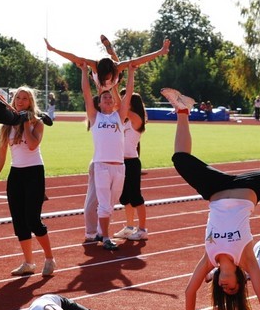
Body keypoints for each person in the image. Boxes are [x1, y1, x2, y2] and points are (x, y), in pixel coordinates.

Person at [162, 87, 260, 310]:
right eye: (232, 288)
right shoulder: (247, 259)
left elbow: (190, 291)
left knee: (179, 159)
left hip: (215, 190)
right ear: (240, 280)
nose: (225, 286)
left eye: (223, 289)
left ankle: (182, 108)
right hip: (247, 189)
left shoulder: (209, 258)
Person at [0, 86, 56, 277]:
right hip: (16, 174)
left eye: (25, 98)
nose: (20, 101)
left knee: (33, 220)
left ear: (30, 102)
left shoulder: (37, 123)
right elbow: (1, 156)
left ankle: (49, 258)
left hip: (34, 172)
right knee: (19, 221)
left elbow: (33, 145)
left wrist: (26, 123)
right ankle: (28, 262)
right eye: (18, 97)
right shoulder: (7, 124)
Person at [79, 61, 136, 250]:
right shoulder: (95, 117)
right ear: (99, 103)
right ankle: (105, 237)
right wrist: (84, 72)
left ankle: (101, 232)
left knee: (111, 203)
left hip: (119, 166)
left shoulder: (119, 117)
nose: (108, 100)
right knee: (104, 204)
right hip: (102, 165)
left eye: (110, 98)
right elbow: (87, 95)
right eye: (104, 99)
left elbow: (127, 96)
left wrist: (131, 73)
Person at [44, 37, 169, 94]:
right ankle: (111, 51)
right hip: (99, 81)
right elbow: (75, 58)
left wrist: (160, 52)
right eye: (106, 76)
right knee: (101, 91)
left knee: (119, 63)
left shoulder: (117, 67)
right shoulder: (95, 66)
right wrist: (53, 49)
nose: (107, 77)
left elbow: (138, 60)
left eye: (108, 75)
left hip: (116, 79)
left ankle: (111, 53)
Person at [113, 92, 149, 241]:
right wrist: (114, 86)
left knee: (136, 197)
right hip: (121, 162)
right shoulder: (125, 120)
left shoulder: (137, 119)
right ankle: (129, 227)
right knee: (125, 197)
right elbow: (118, 106)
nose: (122, 102)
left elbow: (120, 106)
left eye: (125, 100)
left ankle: (142, 229)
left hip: (132, 163)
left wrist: (115, 88)